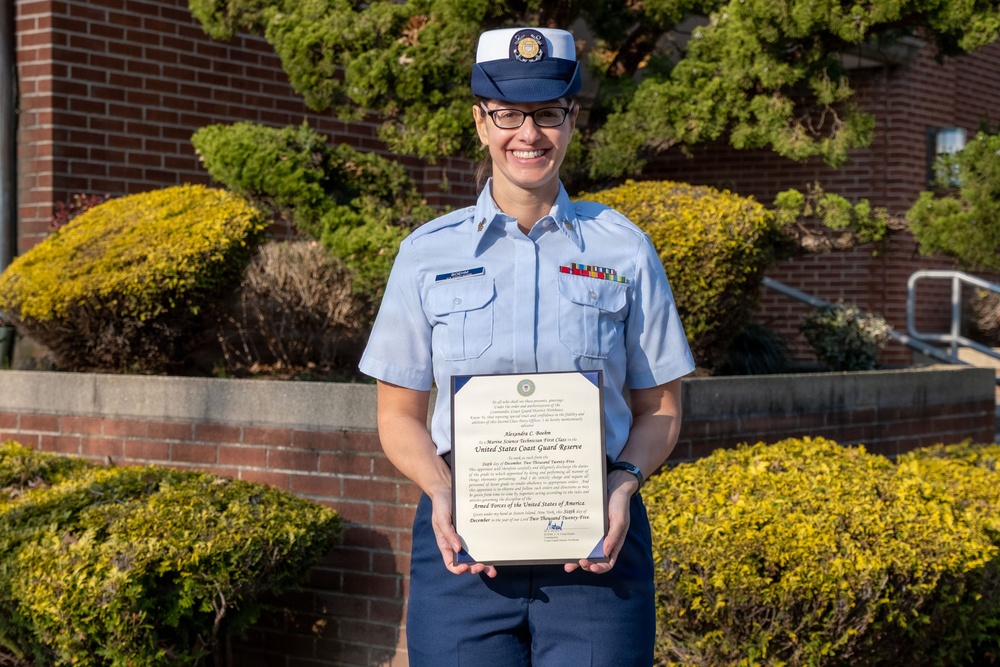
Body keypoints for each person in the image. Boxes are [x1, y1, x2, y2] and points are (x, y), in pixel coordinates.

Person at [359, 26, 695, 667]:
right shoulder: (426, 255)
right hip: (463, 549)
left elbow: (661, 409)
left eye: (547, 114)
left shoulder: (624, 249)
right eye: (508, 113)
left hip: (597, 550)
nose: (529, 134)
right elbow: (397, 417)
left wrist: (622, 486)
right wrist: (439, 488)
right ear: (481, 122)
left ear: (572, 121)